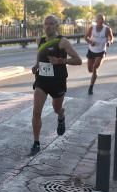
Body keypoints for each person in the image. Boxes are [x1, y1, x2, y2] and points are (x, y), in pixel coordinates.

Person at [29, 14, 82, 155]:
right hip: (41, 81)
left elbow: (78, 60)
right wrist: (36, 66)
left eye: (52, 23)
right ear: (43, 26)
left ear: (56, 26)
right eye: (46, 23)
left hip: (57, 82)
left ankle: (61, 115)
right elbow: (40, 58)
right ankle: (36, 142)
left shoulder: (62, 42)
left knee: (56, 108)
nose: (49, 26)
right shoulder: (39, 40)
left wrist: (60, 61)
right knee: (36, 111)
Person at [84, 14, 114, 95]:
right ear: (96, 20)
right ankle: (93, 76)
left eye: (103, 20)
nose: (101, 21)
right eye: (100, 20)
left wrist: (109, 42)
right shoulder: (92, 28)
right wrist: (90, 42)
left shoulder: (107, 29)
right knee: (90, 69)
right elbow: (86, 37)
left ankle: (91, 87)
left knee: (94, 68)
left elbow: (111, 38)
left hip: (101, 51)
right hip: (91, 50)